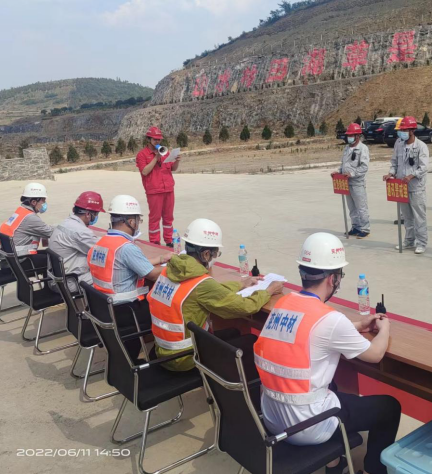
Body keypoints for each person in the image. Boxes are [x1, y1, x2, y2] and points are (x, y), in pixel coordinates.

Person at [254, 233, 400, 474]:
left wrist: (357, 326)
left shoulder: (283, 304)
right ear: (333, 279)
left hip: (272, 418)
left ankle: (335, 463)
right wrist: (384, 328)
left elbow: (311, 331)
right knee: (389, 407)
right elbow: (375, 354)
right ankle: (374, 470)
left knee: (332, 385)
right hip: (305, 426)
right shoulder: (331, 319)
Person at [147, 218, 284, 371]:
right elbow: (245, 307)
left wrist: (240, 284)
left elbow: (210, 290)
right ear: (206, 254)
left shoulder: (170, 271)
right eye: (215, 253)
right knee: (251, 341)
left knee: (233, 332)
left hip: (163, 351)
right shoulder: (201, 283)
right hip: (186, 358)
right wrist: (269, 290)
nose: (214, 257)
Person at [87, 195, 171, 349]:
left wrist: (160, 258)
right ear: (131, 222)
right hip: (126, 310)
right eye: (138, 221)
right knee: (167, 310)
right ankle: (161, 354)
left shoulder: (101, 243)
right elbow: (152, 274)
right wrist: (177, 266)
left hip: (103, 307)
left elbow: (128, 264)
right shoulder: (126, 247)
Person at [383, 116, 429, 255]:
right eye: (401, 130)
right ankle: (409, 241)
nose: (401, 133)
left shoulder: (421, 146)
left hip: (416, 188)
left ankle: (421, 243)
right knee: (407, 217)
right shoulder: (399, 144)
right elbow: (394, 162)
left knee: (419, 217)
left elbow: (424, 167)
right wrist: (391, 173)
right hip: (401, 187)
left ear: (412, 130)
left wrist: (412, 175)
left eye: (404, 130)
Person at [48, 191, 105, 292]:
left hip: (56, 279)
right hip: (69, 282)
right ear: (88, 214)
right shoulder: (81, 231)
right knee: (110, 277)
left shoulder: (66, 223)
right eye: (96, 214)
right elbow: (103, 250)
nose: (96, 217)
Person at [136, 126, 181, 247]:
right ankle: (155, 242)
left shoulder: (165, 152)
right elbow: (145, 171)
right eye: (155, 139)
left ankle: (169, 240)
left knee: (168, 217)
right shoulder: (142, 155)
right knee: (155, 218)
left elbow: (173, 168)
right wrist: (156, 158)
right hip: (154, 191)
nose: (157, 141)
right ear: (149, 139)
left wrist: (177, 161)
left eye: (159, 139)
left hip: (168, 189)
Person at [1, 182, 53, 270]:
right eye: (43, 200)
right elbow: (51, 232)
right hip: (20, 261)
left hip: (9, 259)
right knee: (55, 260)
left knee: (47, 254)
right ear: (34, 202)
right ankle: (51, 280)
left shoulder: (21, 211)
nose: (45, 203)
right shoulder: (30, 217)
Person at [334, 123, 370, 239]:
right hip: (346, 182)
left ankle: (365, 228)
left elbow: (364, 167)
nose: (348, 137)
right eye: (348, 135)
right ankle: (356, 227)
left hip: (357, 182)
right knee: (352, 207)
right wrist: (338, 172)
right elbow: (344, 164)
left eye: (351, 135)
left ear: (357, 136)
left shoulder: (363, 148)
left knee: (361, 207)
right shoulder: (347, 148)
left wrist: (352, 174)